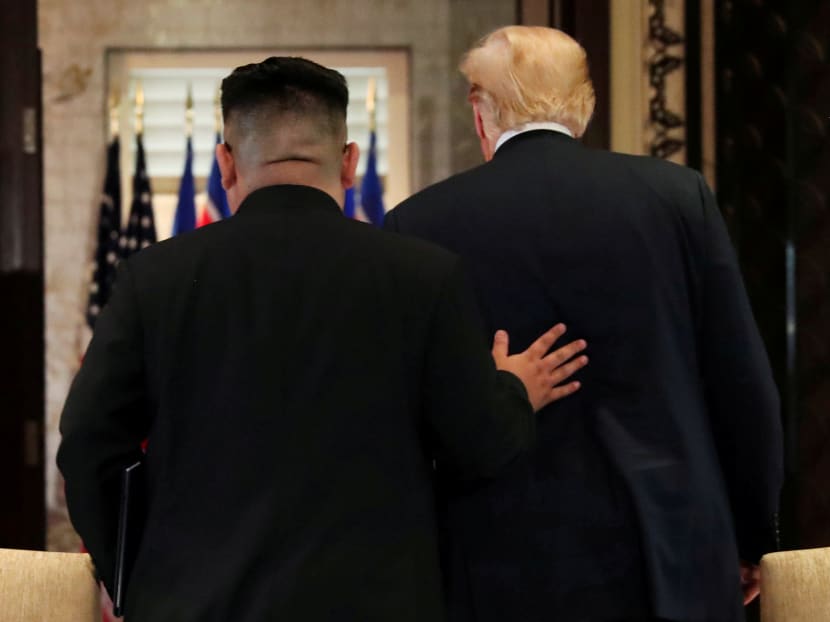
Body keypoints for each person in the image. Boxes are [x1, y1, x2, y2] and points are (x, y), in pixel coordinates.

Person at [57, 56, 589, 622]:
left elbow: (88, 442)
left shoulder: (153, 279)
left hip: (194, 605)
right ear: (351, 162)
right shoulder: (424, 276)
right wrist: (512, 390)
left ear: (225, 165)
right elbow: (477, 447)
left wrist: (130, 570)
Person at [384, 26, 784, 622]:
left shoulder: (417, 223)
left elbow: (408, 418)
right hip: (667, 554)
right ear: (586, 104)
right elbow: (741, 383)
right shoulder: (677, 199)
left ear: (479, 109)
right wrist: (752, 537)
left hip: (495, 561)